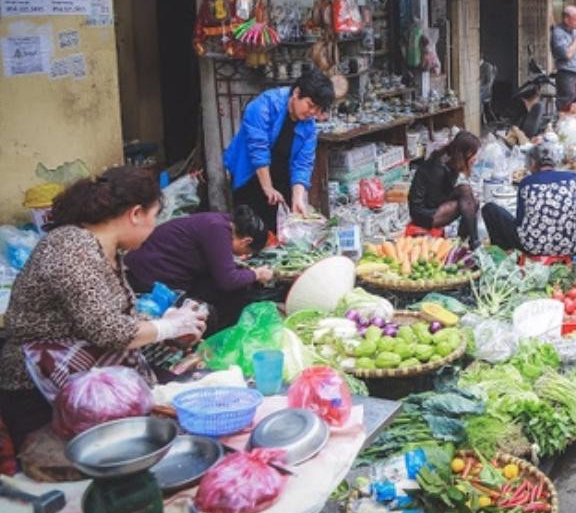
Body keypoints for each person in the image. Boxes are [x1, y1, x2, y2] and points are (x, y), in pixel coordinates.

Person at [0, 168, 206, 450]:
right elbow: (107, 330)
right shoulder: (71, 246)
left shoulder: (107, 251)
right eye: (154, 216)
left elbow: (112, 316)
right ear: (135, 214)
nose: (155, 226)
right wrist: (166, 327)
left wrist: (168, 325)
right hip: (37, 390)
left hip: (82, 382)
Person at [124, 207, 272, 334]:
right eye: (247, 251)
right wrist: (256, 274)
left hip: (165, 273)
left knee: (234, 288)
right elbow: (228, 280)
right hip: (150, 279)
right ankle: (212, 341)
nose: (244, 256)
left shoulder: (221, 222)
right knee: (210, 310)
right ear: (246, 241)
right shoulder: (217, 229)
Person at [224, 68, 334, 233]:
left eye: (317, 110)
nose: (312, 113)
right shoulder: (263, 106)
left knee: (280, 230)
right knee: (249, 231)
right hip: (250, 174)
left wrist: (298, 197)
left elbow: (303, 164)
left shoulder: (309, 126)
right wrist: (267, 188)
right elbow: (258, 150)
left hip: (281, 177)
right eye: (310, 105)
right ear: (296, 93)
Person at [481, 144, 576, 257]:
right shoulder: (573, 179)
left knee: (489, 209)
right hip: (571, 246)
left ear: (533, 163)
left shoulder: (526, 183)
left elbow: (520, 221)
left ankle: (504, 250)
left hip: (531, 247)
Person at [408, 131, 481, 246]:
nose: (475, 158)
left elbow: (445, 192)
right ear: (466, 153)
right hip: (423, 213)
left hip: (436, 201)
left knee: (470, 198)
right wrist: (459, 198)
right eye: (474, 154)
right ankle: (473, 243)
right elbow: (433, 202)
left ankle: (465, 240)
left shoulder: (450, 158)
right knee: (469, 200)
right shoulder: (437, 168)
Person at [550, 5, 576, 111]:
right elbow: (567, 54)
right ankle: (563, 126)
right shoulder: (558, 33)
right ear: (566, 19)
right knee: (566, 106)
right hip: (567, 75)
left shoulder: (575, 32)